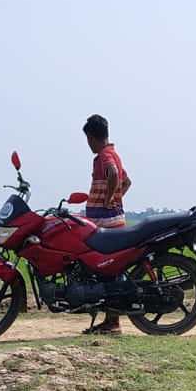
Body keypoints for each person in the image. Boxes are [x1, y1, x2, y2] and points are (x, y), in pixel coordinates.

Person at [81, 114, 132, 334]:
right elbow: (127, 181)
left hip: (106, 222)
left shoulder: (105, 155)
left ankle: (113, 322)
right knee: (110, 270)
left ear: (91, 137)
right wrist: (116, 197)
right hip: (112, 218)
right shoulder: (113, 153)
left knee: (108, 269)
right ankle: (111, 320)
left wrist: (109, 199)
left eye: (87, 139)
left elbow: (113, 173)